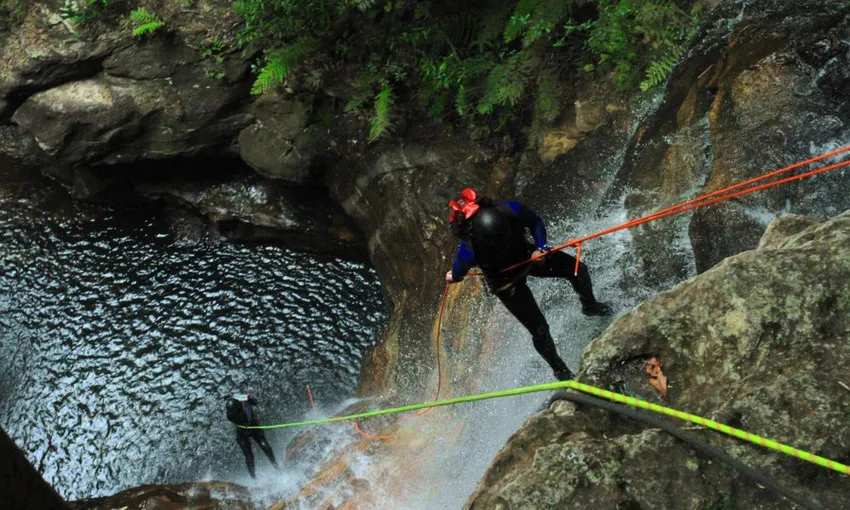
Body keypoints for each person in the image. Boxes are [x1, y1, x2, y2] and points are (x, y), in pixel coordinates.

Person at [445, 188, 611, 381]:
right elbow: (458, 271)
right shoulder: (468, 251)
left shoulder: (510, 210)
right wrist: (454, 275)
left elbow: (535, 221)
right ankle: (561, 371)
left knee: (577, 269)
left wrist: (541, 246)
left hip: (528, 256)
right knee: (539, 330)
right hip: (505, 281)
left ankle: (590, 306)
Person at [226, 394, 279, 479]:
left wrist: (255, 401)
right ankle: (254, 478)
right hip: (242, 431)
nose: (232, 413)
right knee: (248, 455)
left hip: (253, 426)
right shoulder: (230, 415)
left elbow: (253, 401)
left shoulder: (243, 401)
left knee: (265, 447)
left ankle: (276, 467)